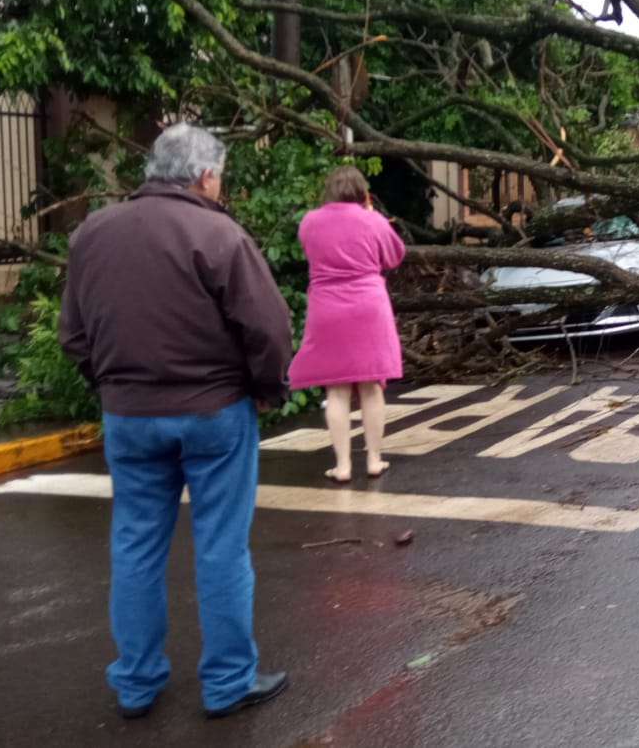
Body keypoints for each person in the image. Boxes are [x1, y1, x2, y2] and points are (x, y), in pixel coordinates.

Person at [59, 124, 293, 719]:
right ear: (205, 175)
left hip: (128, 416)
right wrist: (268, 390)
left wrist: (112, 386)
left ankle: (135, 683)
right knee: (220, 546)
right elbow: (268, 327)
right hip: (214, 412)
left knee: (135, 543)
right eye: (221, 177)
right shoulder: (218, 233)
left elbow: (75, 334)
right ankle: (228, 682)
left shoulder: (92, 233)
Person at [287, 165, 407, 483]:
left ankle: (342, 466)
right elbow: (395, 255)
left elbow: (310, 254)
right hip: (368, 306)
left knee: (336, 389)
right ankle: (373, 459)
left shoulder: (309, 222)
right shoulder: (372, 220)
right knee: (371, 386)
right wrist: (370, 215)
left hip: (327, 307)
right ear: (362, 193)